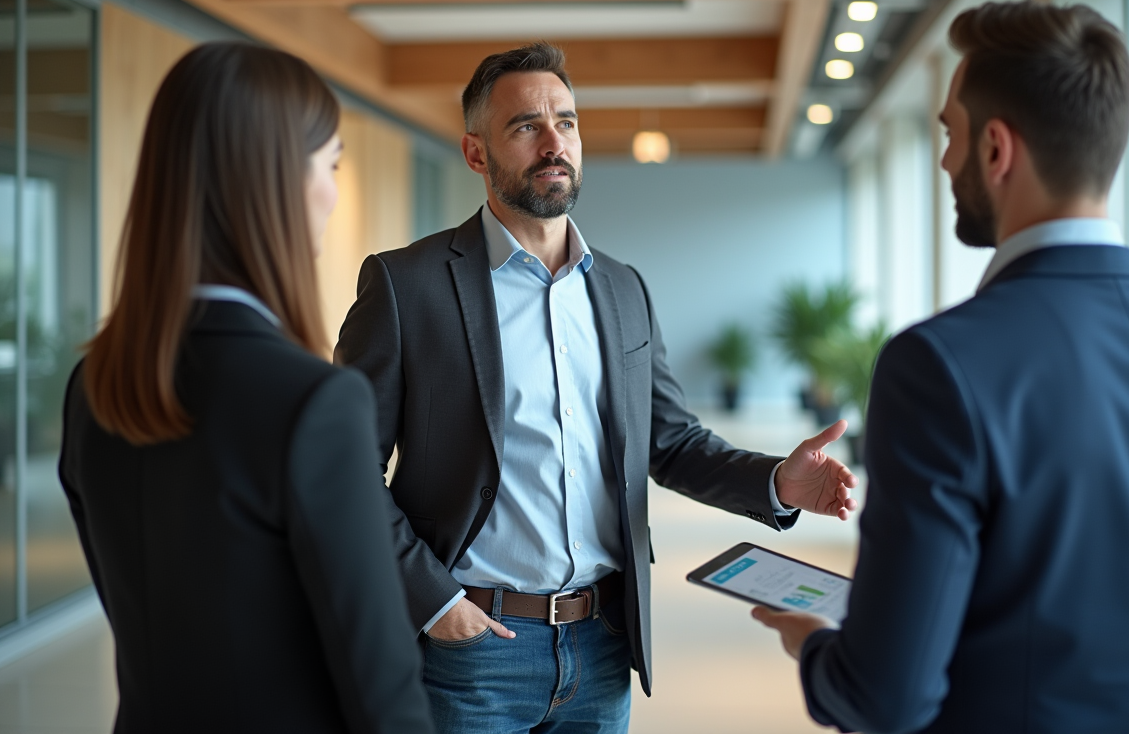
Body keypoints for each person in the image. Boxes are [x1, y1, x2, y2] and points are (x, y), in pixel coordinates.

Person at [334, 41, 859, 732]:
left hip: (602, 644)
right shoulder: (407, 286)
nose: (555, 142)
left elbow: (669, 442)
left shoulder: (621, 287)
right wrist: (432, 602)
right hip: (470, 651)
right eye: (526, 126)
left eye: (567, 121)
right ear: (475, 153)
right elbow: (342, 467)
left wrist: (777, 484)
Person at [753, 0, 1129, 733]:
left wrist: (817, 650)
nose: (943, 160)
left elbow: (885, 697)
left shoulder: (939, 366)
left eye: (949, 134)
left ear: (996, 149)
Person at [58, 42, 434, 734]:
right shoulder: (314, 402)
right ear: (276, 181)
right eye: (333, 166)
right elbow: (381, 685)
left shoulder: (94, 385)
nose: (332, 192)